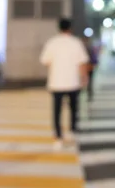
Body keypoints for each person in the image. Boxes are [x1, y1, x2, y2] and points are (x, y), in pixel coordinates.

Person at [40, 18, 89, 151]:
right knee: (73, 109)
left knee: (57, 111)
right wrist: (84, 78)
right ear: (70, 28)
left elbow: (45, 61)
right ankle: (72, 131)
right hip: (73, 82)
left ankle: (58, 138)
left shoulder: (52, 43)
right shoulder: (76, 42)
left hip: (56, 82)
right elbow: (82, 62)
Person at [82, 36, 99, 102]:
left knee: (86, 81)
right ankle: (90, 94)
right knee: (90, 81)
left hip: (86, 67)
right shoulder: (90, 47)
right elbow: (94, 57)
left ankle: (88, 93)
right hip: (90, 67)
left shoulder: (82, 48)